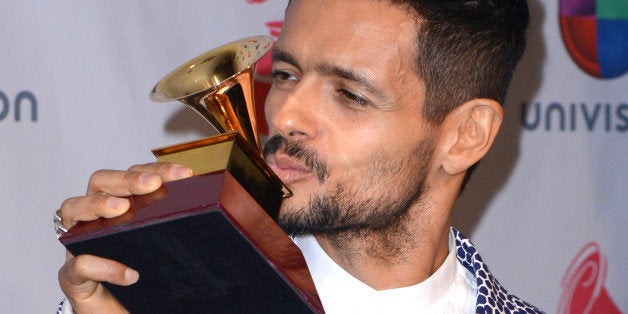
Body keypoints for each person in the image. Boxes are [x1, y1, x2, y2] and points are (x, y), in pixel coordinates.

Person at [56, 0, 542, 312]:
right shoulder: (157, 295)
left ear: (465, 135)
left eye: (350, 94)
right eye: (286, 74)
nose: (285, 114)